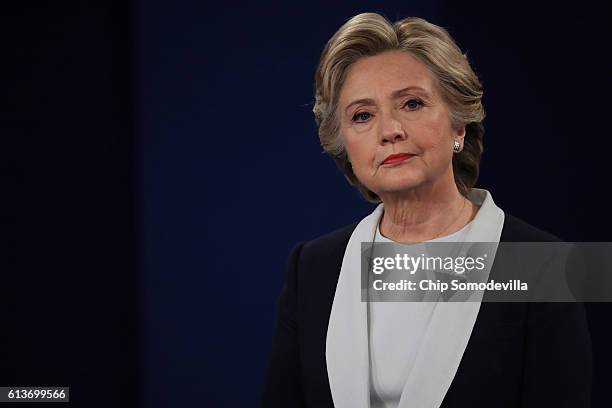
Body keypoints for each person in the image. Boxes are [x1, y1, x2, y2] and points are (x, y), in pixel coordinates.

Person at [261, 13, 591, 408]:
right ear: (343, 143)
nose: (390, 130)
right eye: (362, 115)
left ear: (459, 125)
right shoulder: (313, 267)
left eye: (412, 103)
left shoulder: (544, 267)